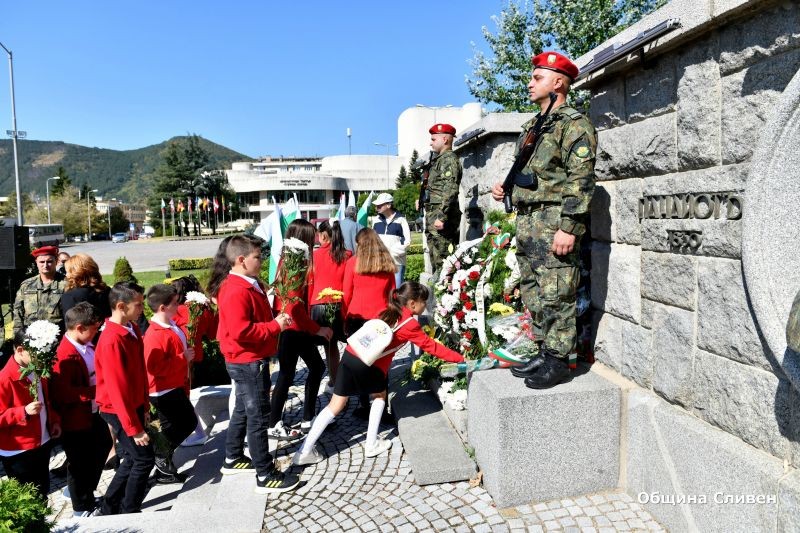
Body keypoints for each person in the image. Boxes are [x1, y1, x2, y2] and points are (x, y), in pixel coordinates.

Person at [492, 51, 597, 389]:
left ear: (558, 83)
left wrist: (569, 227)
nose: (529, 83)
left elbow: (581, 179)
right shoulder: (532, 127)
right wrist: (506, 187)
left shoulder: (574, 125)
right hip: (528, 220)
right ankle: (544, 349)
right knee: (533, 290)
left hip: (553, 220)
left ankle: (560, 360)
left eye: (537, 78)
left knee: (557, 291)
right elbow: (534, 174)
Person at [293, 282, 464, 465]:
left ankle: (303, 451)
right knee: (380, 396)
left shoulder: (388, 310)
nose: (426, 305)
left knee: (335, 405)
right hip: (369, 365)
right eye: (424, 302)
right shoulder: (409, 325)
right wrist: (460, 359)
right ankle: (371, 444)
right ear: (412, 304)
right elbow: (432, 347)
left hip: (350, 355)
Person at [214, 235, 299, 494]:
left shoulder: (245, 284)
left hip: (247, 359)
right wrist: (274, 326)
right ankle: (265, 474)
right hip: (248, 360)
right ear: (241, 260)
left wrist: (274, 319)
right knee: (258, 416)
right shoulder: (236, 289)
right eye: (257, 257)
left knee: (242, 409)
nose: (261, 261)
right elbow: (241, 331)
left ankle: (232, 457)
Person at [94, 281, 153, 515]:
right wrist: (133, 428)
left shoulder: (132, 328)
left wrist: (145, 406)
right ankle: (130, 509)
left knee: (131, 458)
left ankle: (109, 507)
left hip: (133, 405)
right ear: (120, 306)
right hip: (118, 409)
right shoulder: (112, 340)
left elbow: (139, 372)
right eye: (138, 305)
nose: (142, 309)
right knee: (143, 459)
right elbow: (117, 389)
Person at [269, 220, 332, 439]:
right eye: (312, 234)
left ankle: (306, 418)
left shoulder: (289, 258)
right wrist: (317, 329)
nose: (316, 238)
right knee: (290, 374)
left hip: (292, 326)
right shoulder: (295, 260)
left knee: (308, 369)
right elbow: (294, 307)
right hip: (292, 327)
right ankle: (277, 422)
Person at [51, 302, 112, 517]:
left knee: (103, 444)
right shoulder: (64, 355)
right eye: (93, 329)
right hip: (75, 418)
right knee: (79, 462)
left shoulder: (86, 344)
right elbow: (64, 394)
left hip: (91, 412)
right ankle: (81, 508)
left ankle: (80, 491)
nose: (96, 333)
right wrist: (97, 390)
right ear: (79, 328)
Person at [143, 284, 198, 484]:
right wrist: (182, 358)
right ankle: (160, 455)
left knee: (174, 426)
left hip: (174, 384)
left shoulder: (171, 324)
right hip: (163, 389)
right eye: (175, 303)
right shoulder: (155, 334)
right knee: (186, 423)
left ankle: (164, 468)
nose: (178, 305)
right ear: (162, 308)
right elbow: (154, 367)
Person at [342, 228, 397, 419]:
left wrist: (344, 317)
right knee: (380, 364)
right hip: (380, 320)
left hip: (357, 317)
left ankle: (363, 404)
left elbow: (346, 294)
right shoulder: (386, 262)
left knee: (360, 363)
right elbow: (393, 293)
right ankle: (382, 406)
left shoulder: (353, 262)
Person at [0, 330, 62, 498]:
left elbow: (46, 400)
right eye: (37, 353)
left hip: (42, 441)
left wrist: (54, 421)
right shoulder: (4, 378)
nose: (42, 357)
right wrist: (23, 411)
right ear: (20, 350)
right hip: (19, 450)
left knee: (43, 491)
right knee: (29, 497)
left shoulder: (37, 367)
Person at [172, 275, 217, 446]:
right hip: (194, 355)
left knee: (182, 395)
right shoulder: (203, 307)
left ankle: (197, 432)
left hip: (178, 357)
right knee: (185, 393)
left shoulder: (178, 310)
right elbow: (212, 334)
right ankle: (195, 431)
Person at [309, 220, 351, 393]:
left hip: (318, 304)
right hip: (341, 303)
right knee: (350, 345)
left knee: (330, 346)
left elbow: (310, 283)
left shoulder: (314, 256)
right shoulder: (347, 255)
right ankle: (347, 380)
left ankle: (335, 384)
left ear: (323, 235)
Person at [423, 123, 462, 274]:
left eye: (433, 139)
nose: (430, 143)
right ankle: (438, 284)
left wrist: (441, 216)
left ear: (445, 139)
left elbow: (450, 190)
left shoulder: (449, 160)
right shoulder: (439, 160)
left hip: (442, 219)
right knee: (436, 258)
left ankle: (445, 287)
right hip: (434, 217)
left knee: (445, 261)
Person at [12, 245, 67, 337]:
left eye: (49, 261)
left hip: (57, 337)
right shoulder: (27, 285)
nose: (45, 265)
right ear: (36, 262)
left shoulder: (66, 284)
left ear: (56, 262)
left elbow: (71, 316)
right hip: (30, 338)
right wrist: (18, 338)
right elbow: (18, 313)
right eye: (42, 262)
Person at [372, 192, 411, 287]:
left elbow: (407, 240)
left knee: (396, 289)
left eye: (380, 205)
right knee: (382, 289)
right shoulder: (376, 220)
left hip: (397, 262)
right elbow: (373, 239)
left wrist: (394, 252)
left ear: (389, 205)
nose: (377, 207)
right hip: (380, 262)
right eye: (376, 205)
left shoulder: (401, 220)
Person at [61, 253, 112, 321]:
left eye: (68, 272)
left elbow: (70, 323)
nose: (66, 275)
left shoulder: (71, 296)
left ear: (76, 273)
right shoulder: (107, 290)